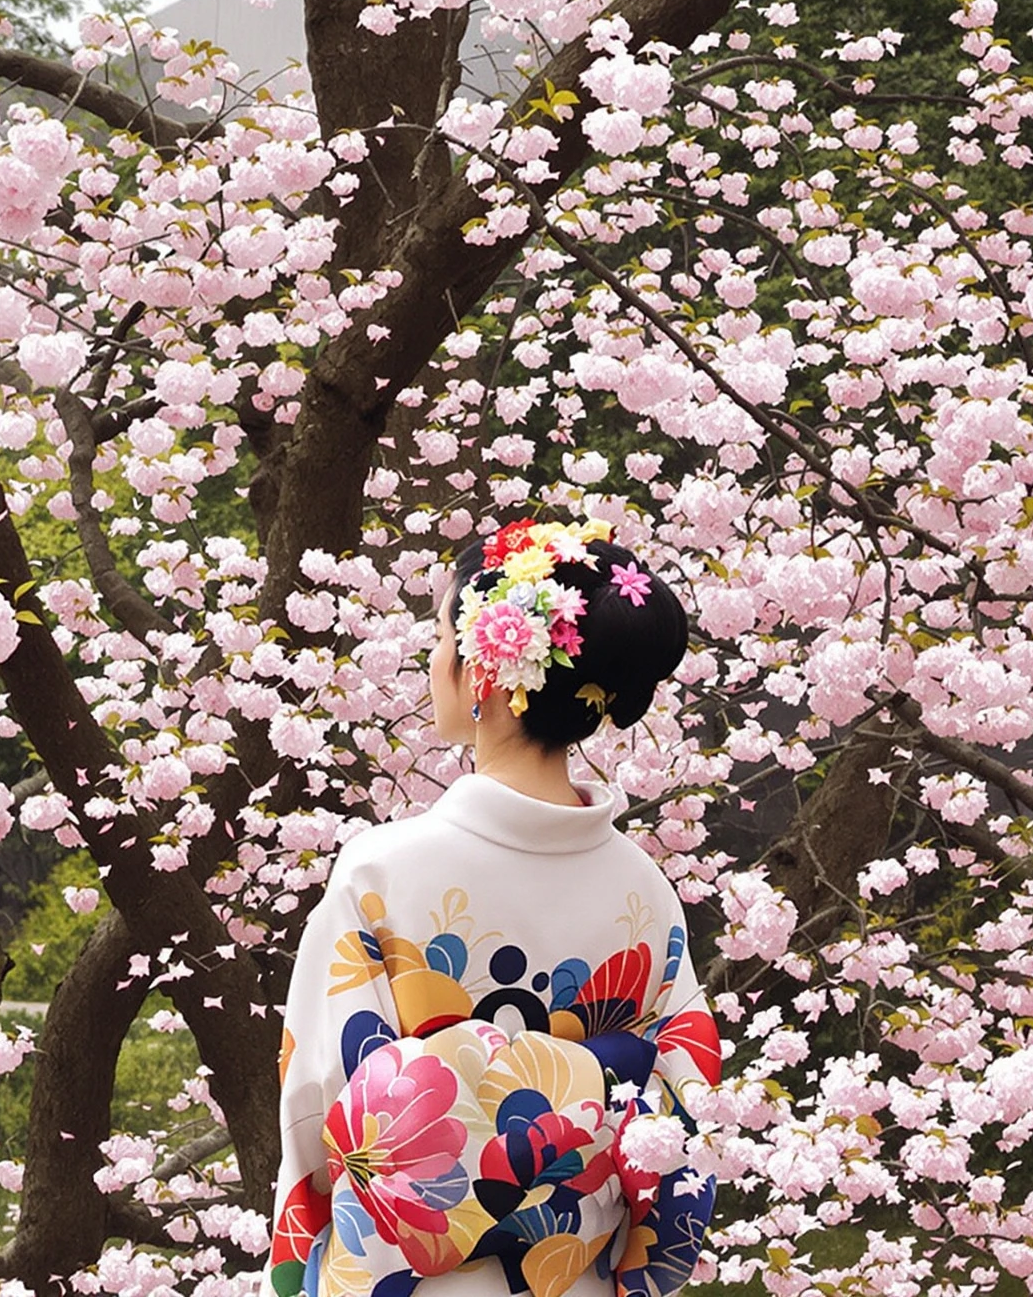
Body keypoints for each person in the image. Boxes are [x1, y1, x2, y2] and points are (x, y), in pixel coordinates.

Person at [262, 516, 719, 1297]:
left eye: (442, 637)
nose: (434, 658)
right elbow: (679, 1109)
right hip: (571, 1275)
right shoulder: (646, 889)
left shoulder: (382, 871)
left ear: (486, 670)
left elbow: (318, 1103)